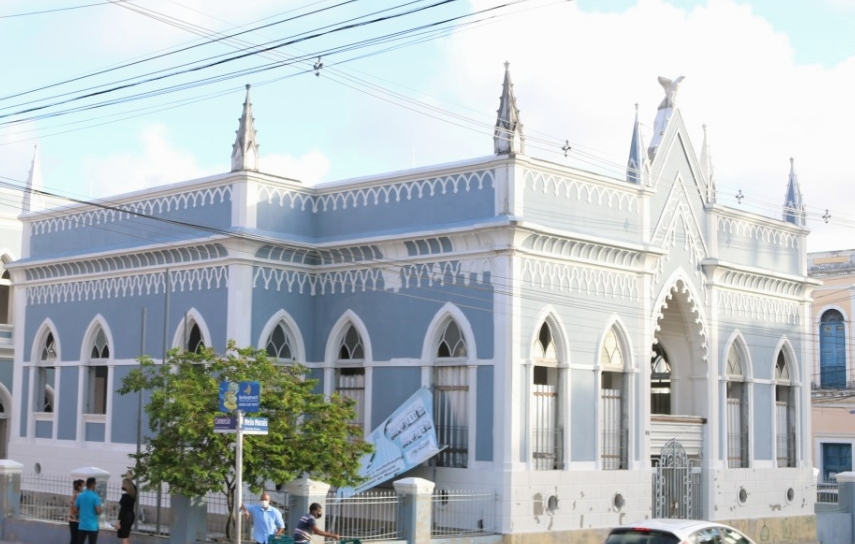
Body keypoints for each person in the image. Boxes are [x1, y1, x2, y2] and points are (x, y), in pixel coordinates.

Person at [73, 477, 102, 544]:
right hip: (92, 526)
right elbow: (99, 511)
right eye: (95, 484)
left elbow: (74, 510)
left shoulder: (80, 496)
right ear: (93, 485)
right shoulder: (95, 497)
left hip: (82, 525)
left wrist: (82, 510)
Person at [115, 478, 136, 544]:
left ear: (126, 485)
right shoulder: (132, 495)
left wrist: (118, 521)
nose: (122, 484)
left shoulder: (125, 497)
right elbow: (134, 488)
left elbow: (123, 510)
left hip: (125, 517)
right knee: (126, 536)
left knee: (124, 537)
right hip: (131, 516)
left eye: (123, 483)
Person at [68, 479, 84, 544]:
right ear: (79, 487)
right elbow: (75, 508)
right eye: (84, 485)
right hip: (76, 520)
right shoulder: (78, 496)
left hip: (73, 519)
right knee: (76, 539)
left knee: (75, 539)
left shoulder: (76, 494)